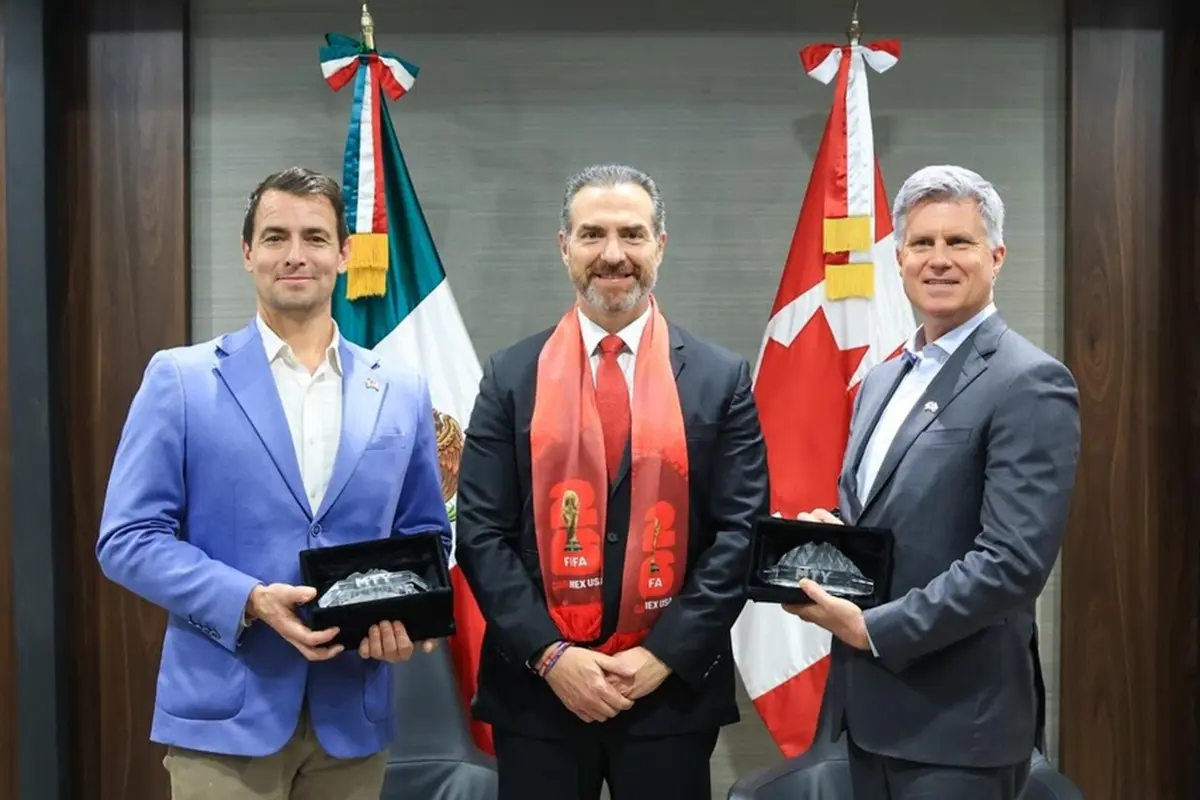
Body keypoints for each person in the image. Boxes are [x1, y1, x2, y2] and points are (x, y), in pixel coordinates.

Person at [96, 166, 452, 800]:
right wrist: (251, 599)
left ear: (345, 255)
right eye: (275, 237)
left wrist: (403, 615)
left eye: (316, 238)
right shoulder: (180, 380)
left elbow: (425, 533)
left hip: (354, 714)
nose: (296, 256)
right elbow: (127, 538)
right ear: (247, 252)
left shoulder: (399, 391)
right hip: (224, 717)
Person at [454, 163, 770, 799]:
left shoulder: (719, 378)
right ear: (564, 246)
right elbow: (481, 534)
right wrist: (551, 656)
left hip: (668, 695)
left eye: (632, 234)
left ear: (660, 245)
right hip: (539, 695)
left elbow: (741, 535)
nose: (613, 255)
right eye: (593, 234)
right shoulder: (511, 377)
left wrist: (660, 657)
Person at [783, 164, 1080, 799]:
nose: (938, 260)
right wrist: (832, 544)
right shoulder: (883, 381)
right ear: (898, 259)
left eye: (959, 242)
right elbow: (887, 527)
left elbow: (1011, 563)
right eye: (922, 243)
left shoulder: (1029, 381)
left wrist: (873, 629)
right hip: (866, 715)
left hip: (959, 729)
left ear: (996, 257)